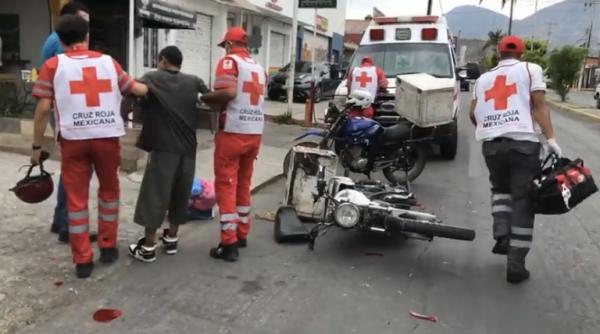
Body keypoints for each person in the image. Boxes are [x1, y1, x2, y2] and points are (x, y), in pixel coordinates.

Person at [31, 15, 147, 278]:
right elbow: (135, 89)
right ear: (87, 36)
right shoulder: (109, 63)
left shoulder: (52, 65)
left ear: (59, 41)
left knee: (76, 200)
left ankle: (83, 260)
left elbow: (42, 109)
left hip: (74, 141)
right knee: (109, 192)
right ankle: (107, 247)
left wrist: (37, 146)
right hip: (107, 139)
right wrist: (156, 86)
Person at [469, 35, 562, 284]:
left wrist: (491, 129)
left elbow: (472, 113)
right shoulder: (531, 69)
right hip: (523, 145)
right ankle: (516, 265)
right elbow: (539, 105)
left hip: (491, 147)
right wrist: (550, 139)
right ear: (521, 53)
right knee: (523, 201)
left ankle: (502, 234)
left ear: (498, 53)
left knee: (500, 190)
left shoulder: (483, 79)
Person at [128, 46, 209, 263]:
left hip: (164, 148)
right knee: (180, 194)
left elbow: (133, 90)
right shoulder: (194, 80)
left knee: (155, 194)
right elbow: (210, 97)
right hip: (188, 148)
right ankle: (172, 240)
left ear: (163, 60)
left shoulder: (153, 77)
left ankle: (147, 247)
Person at [201, 27, 267, 262]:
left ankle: (228, 244)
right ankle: (242, 234)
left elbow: (227, 92)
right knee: (243, 184)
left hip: (233, 131)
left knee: (227, 185)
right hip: (255, 133)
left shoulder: (229, 62)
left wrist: (204, 97)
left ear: (228, 45)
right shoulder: (259, 67)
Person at [40, 1, 94, 243]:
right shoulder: (61, 45)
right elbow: (72, 78)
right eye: (83, 22)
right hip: (65, 112)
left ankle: (60, 219)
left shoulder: (53, 39)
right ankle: (66, 223)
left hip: (62, 110)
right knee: (76, 167)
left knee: (72, 166)